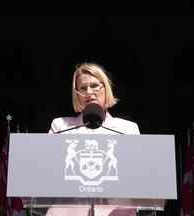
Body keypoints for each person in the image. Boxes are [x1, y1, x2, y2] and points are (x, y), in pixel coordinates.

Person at [46, 62, 140, 216]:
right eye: (83, 88)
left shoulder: (128, 129)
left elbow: (137, 176)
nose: (89, 92)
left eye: (95, 85)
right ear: (77, 94)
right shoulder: (61, 126)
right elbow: (48, 172)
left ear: (106, 88)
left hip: (116, 212)